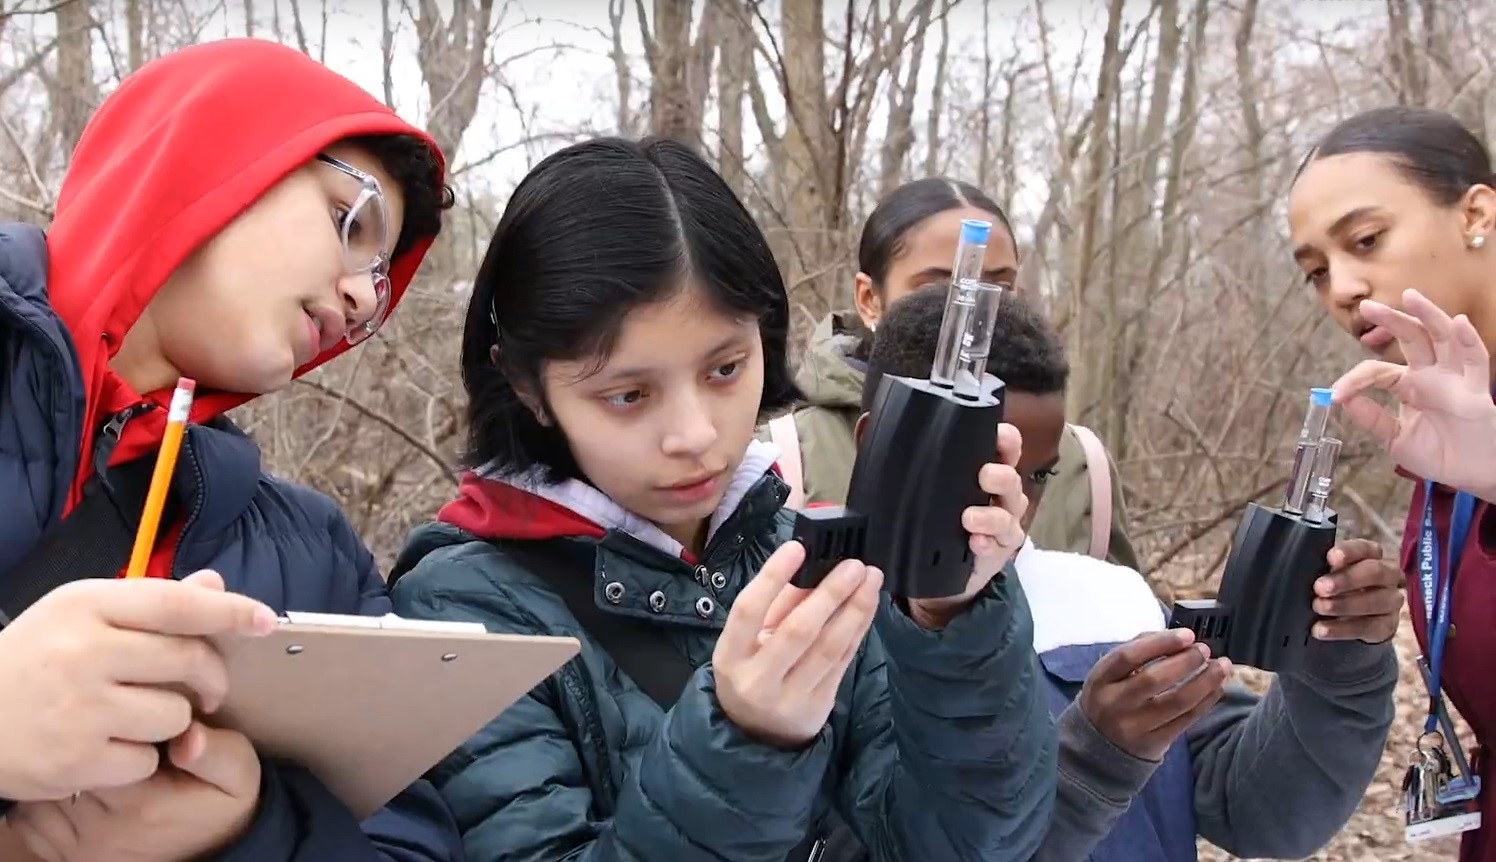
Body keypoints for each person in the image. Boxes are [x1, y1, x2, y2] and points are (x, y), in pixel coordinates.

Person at [386, 136, 1056, 861]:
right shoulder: (460, 617)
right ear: (525, 387)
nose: (696, 434)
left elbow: (967, 844)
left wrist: (953, 621)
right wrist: (745, 739)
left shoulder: (806, 555)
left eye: (726, 368)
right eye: (629, 394)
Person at [0, 39, 459, 861]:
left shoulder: (314, 554)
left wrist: (246, 830)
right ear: (213, 156)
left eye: (383, 280)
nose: (363, 296)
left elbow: (415, 844)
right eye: (348, 222)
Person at [856, 285, 1399, 861]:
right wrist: (1094, 761)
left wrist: (1343, 664)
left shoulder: (1107, 600)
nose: (1013, 499)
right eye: (987, 466)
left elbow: (1262, 813)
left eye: (1037, 475)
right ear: (877, 440)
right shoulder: (817, 634)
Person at [1289, 105, 1496, 861]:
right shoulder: (1444, 434)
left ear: (1476, 212)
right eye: (1315, 271)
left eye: (1367, 241)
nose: (1342, 287)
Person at [759, 178, 1141, 571]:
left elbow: (1118, 609)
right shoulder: (785, 456)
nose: (974, 313)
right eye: (941, 287)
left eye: (999, 287)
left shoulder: (1079, 463)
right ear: (869, 299)